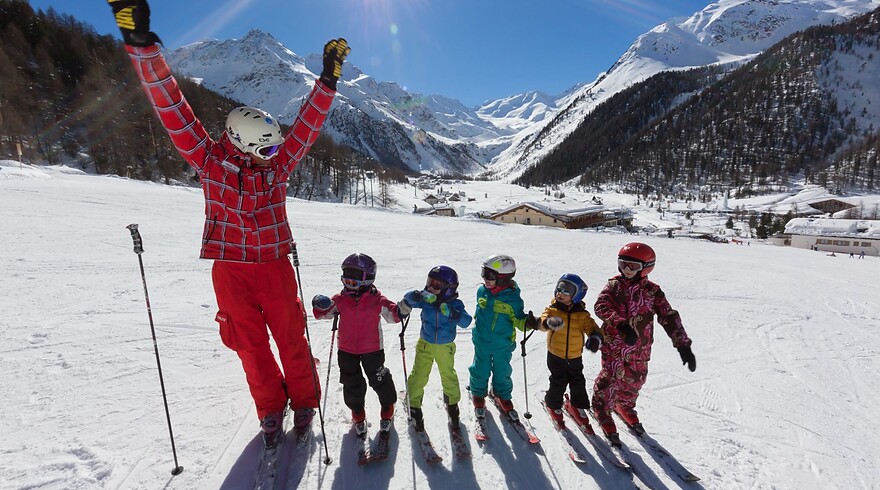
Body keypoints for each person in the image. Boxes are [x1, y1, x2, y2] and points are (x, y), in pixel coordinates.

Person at [107, 0, 350, 448]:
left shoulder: (277, 167)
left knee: (292, 339)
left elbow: (307, 128)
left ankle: (304, 400)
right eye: (267, 150)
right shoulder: (208, 161)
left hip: (274, 265)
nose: (277, 156)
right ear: (241, 144)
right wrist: (141, 45)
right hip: (231, 272)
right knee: (249, 346)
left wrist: (328, 81)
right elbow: (173, 108)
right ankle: (270, 407)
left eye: (275, 148)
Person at [592, 242, 695, 447]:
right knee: (610, 378)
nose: (627, 270)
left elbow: (668, 316)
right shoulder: (614, 286)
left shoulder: (652, 291)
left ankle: (624, 405)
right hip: (614, 345)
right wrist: (620, 324)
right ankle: (602, 410)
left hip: (640, 347)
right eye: (623, 264)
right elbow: (601, 305)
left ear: (646, 268)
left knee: (635, 380)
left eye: (633, 266)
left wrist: (682, 344)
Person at [312, 254, 405, 436]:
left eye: (353, 281)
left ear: (367, 280)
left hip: (373, 350)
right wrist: (319, 304)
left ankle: (387, 405)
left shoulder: (377, 299)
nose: (348, 285)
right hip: (346, 351)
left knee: (379, 378)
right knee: (351, 382)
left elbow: (393, 315)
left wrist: (403, 308)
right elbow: (323, 313)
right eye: (345, 280)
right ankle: (357, 411)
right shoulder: (340, 299)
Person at [398, 266, 473, 432]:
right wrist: (417, 295)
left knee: (448, 375)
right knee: (419, 374)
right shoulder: (427, 301)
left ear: (448, 288)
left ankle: (452, 404)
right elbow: (408, 299)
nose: (431, 287)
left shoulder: (455, 304)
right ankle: (413, 403)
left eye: (436, 285)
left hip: (446, 347)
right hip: (425, 344)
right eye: (429, 282)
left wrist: (452, 313)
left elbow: (466, 321)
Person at [468, 255, 537, 420]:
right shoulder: (482, 291)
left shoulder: (512, 299)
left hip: (503, 344)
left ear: (503, 278)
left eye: (490, 275)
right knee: (480, 369)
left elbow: (518, 320)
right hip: (482, 341)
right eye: (484, 273)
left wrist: (529, 322)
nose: (485, 279)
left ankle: (502, 394)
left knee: (503, 371)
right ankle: (478, 393)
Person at [534, 274, 603, 428]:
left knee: (578, 381)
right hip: (555, 355)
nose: (560, 293)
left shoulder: (582, 315)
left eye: (567, 290)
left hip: (574, 356)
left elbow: (593, 329)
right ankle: (553, 404)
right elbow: (542, 322)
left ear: (577, 295)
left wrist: (595, 339)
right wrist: (548, 323)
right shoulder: (552, 310)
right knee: (558, 381)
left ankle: (576, 406)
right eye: (559, 288)